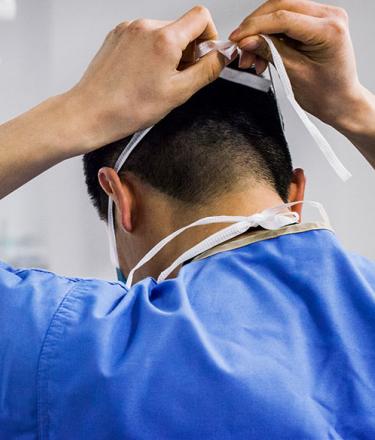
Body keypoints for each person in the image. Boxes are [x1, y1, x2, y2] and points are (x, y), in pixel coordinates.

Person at [0, 1, 374, 439]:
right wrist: (355, 108)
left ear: (120, 199)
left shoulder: (76, 349)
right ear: (295, 196)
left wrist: (80, 109)